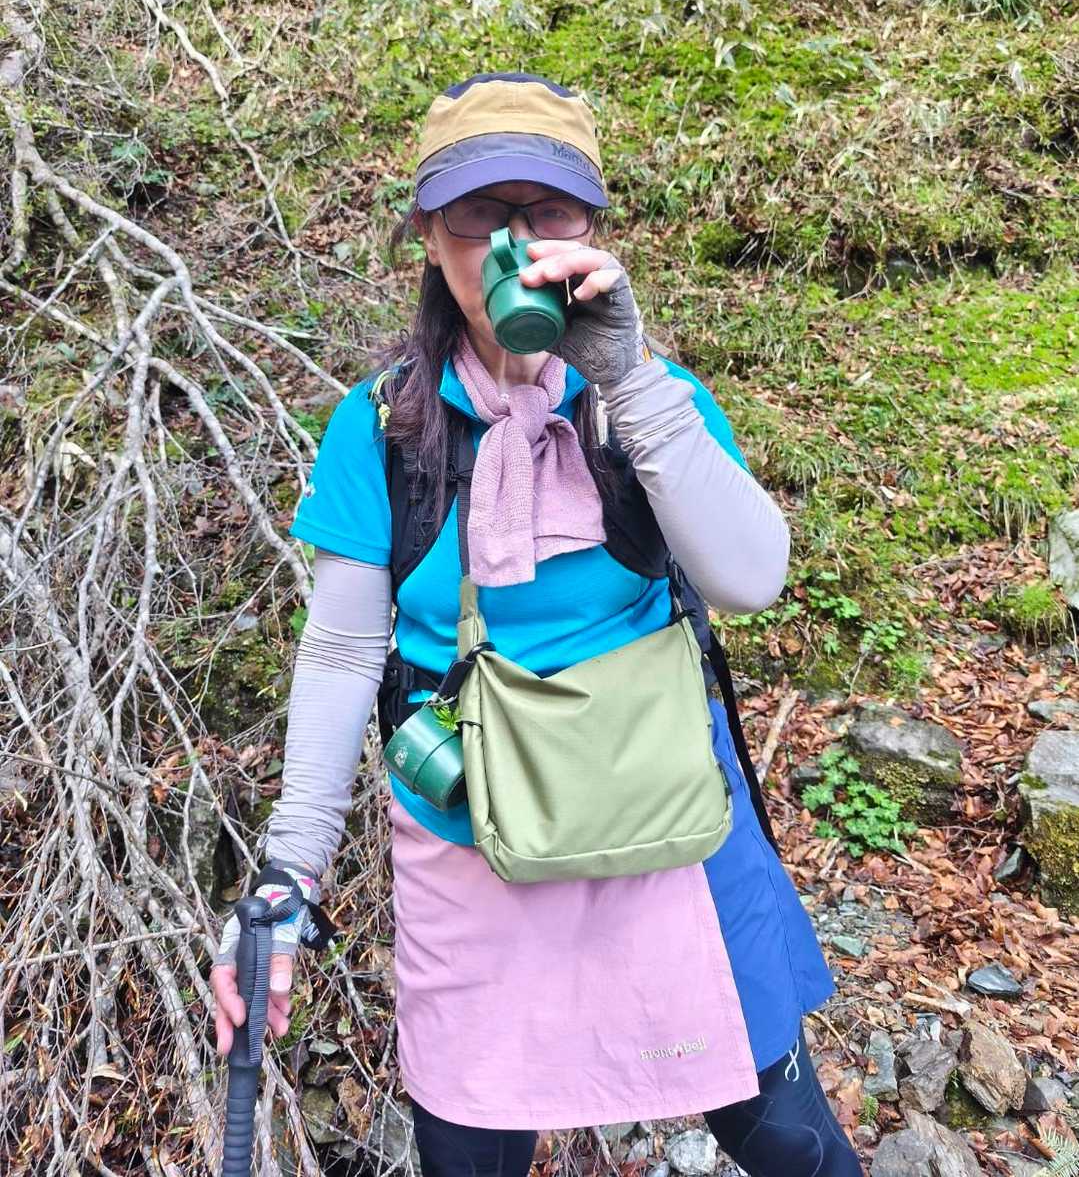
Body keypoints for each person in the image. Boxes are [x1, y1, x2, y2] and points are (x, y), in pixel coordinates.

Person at [209, 73, 864, 1176]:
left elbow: (752, 577)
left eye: (547, 211)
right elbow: (340, 652)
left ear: (591, 230)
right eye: (479, 215)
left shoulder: (649, 397)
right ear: (429, 237)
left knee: (790, 1143)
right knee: (470, 1145)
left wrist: (628, 375)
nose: (513, 242)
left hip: (671, 831)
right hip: (473, 848)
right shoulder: (380, 428)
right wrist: (289, 873)